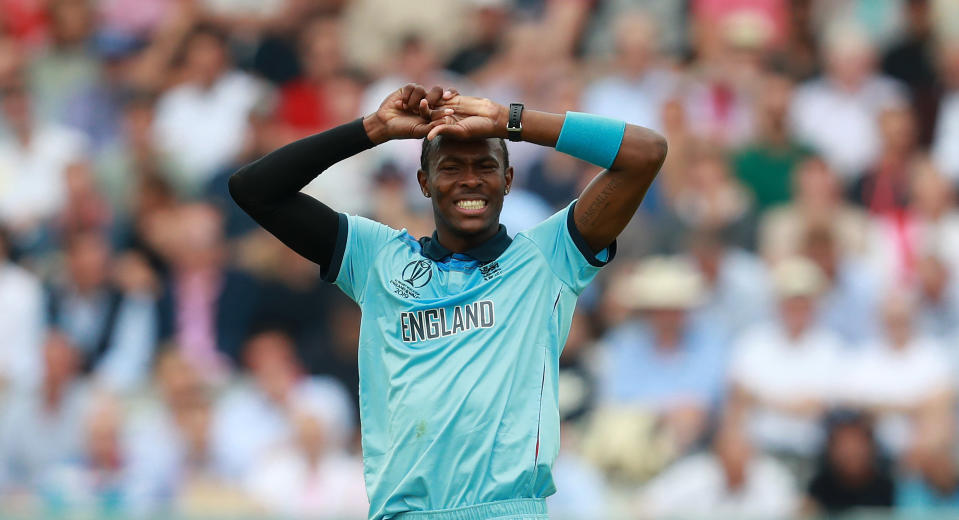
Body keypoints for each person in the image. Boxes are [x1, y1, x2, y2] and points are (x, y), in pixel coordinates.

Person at [230, 84, 667, 519]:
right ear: (424, 182)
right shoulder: (378, 259)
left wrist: (510, 121)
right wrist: (373, 129)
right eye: (451, 167)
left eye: (486, 166)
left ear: (509, 179)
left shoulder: (546, 260)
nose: (470, 180)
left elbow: (645, 152)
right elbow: (253, 189)